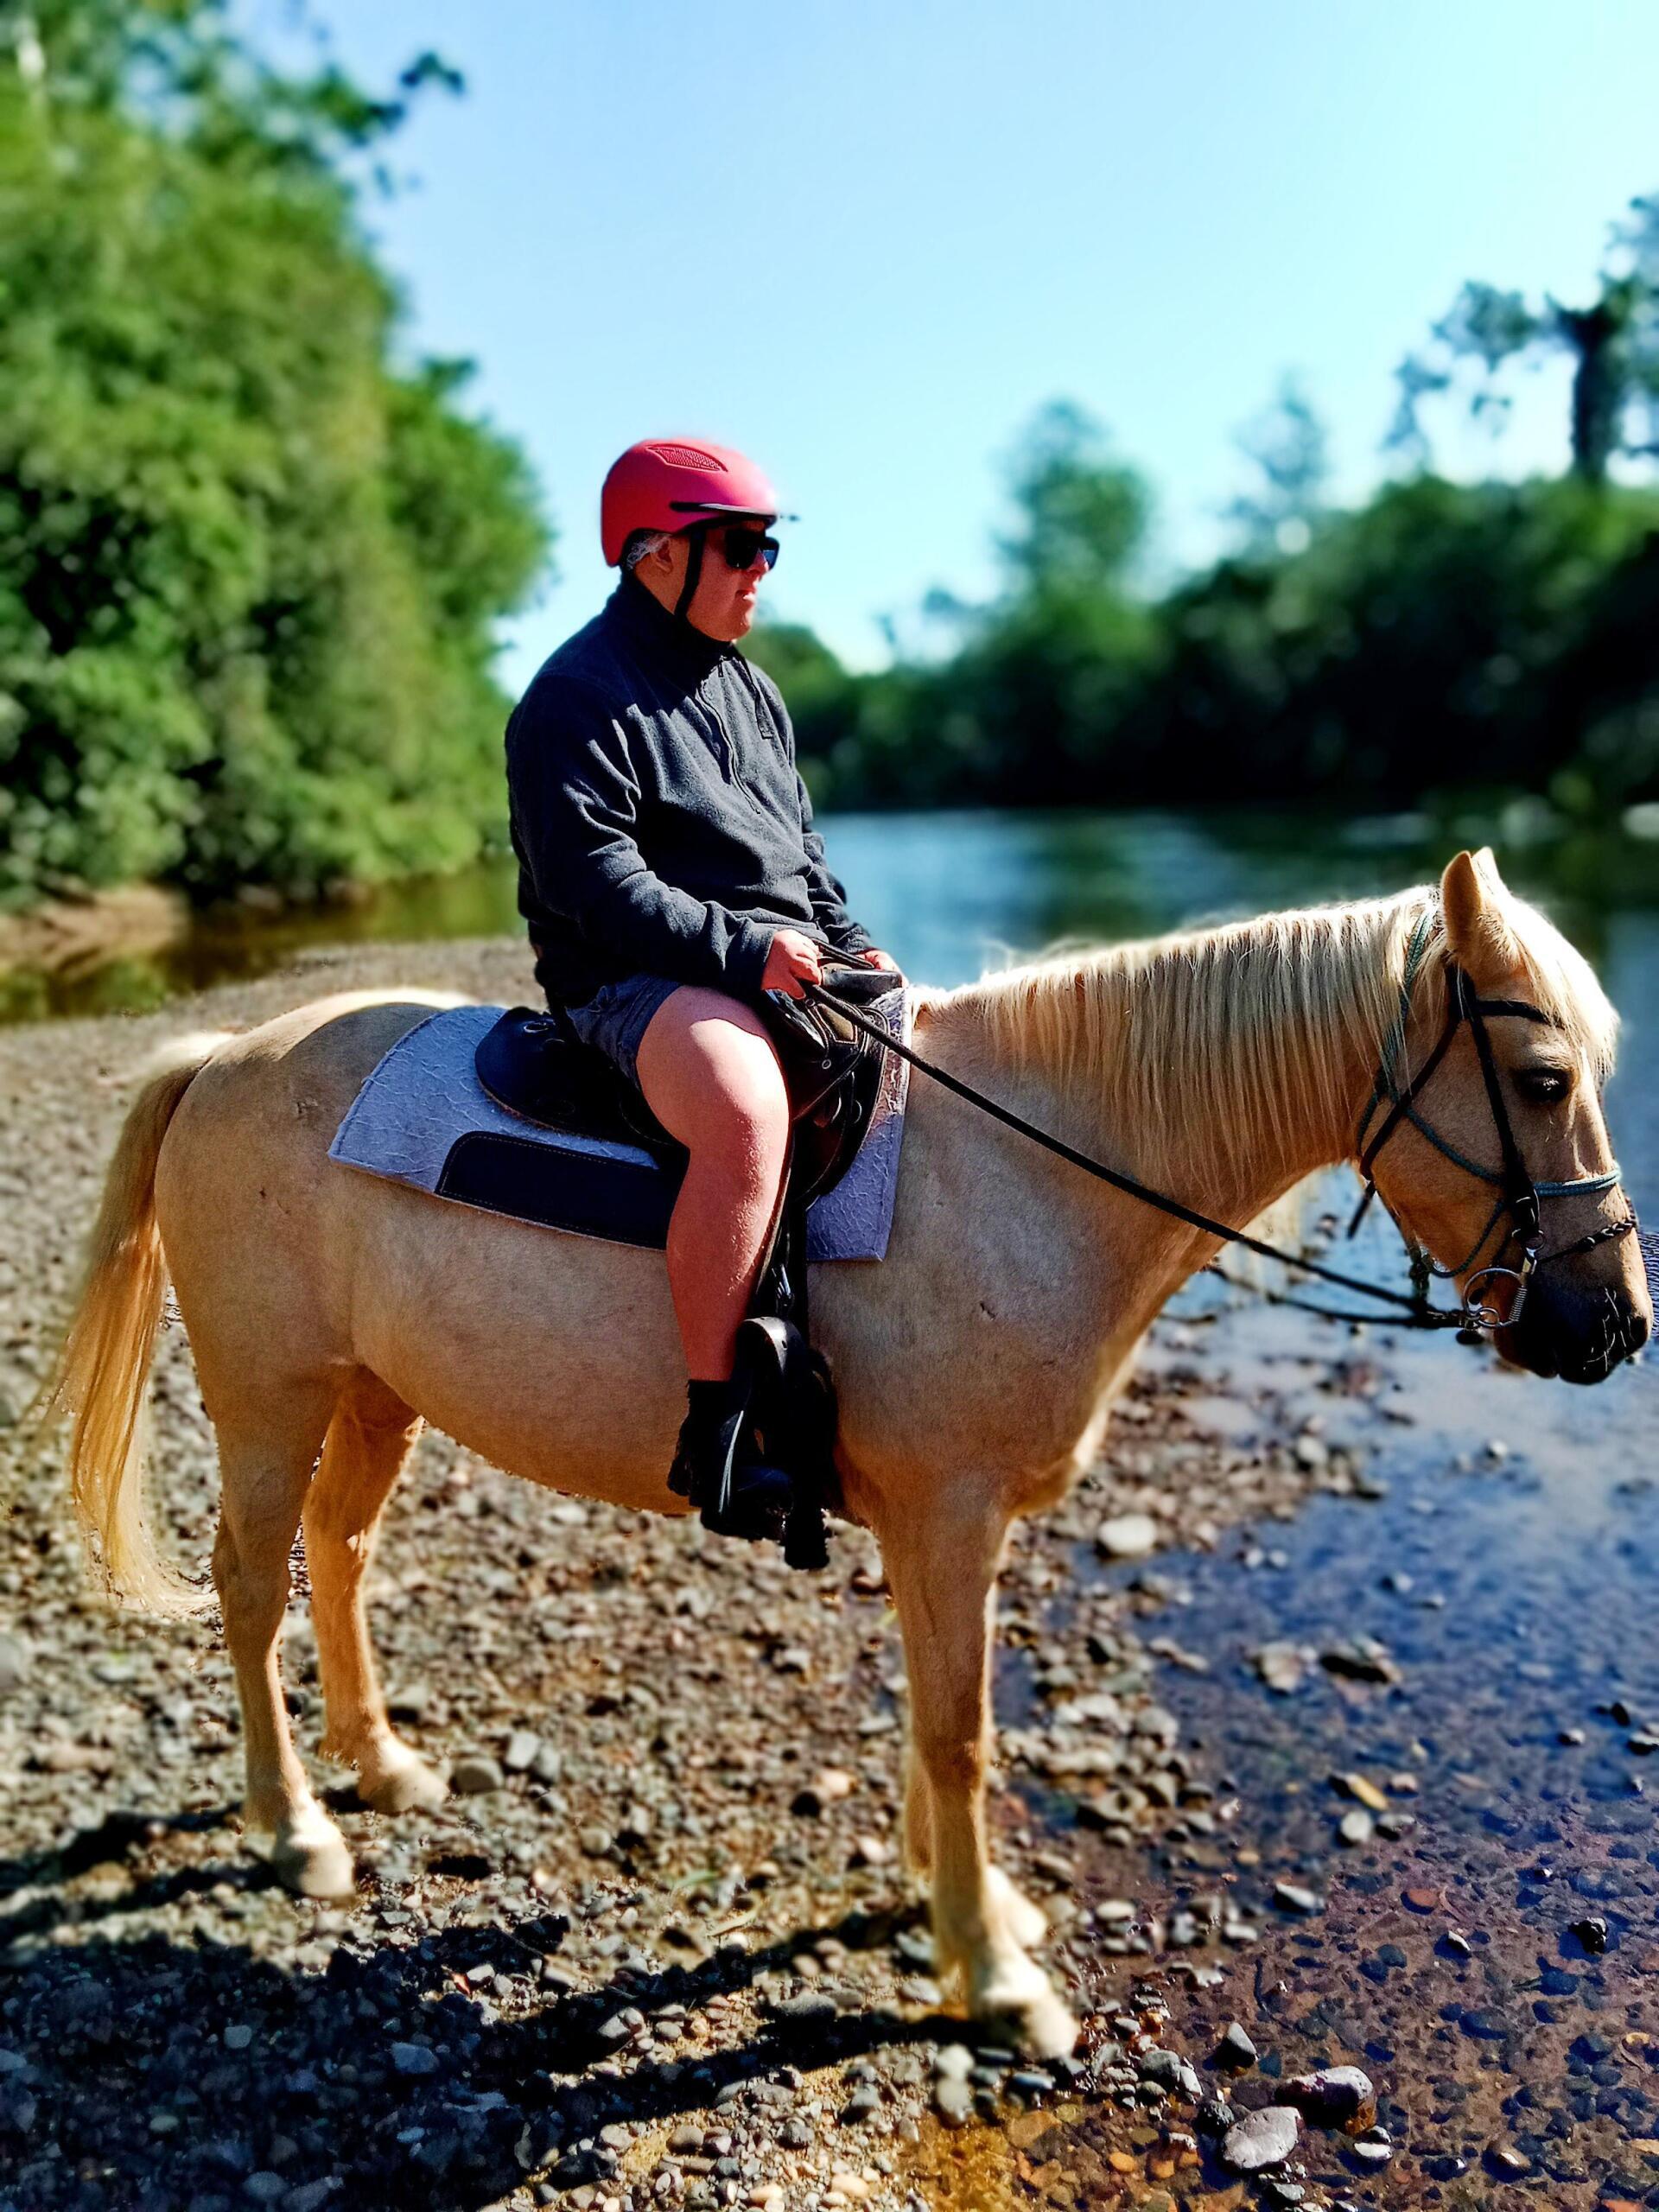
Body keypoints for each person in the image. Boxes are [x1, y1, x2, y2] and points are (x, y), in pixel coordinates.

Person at [504, 438, 897, 1536]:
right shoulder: (572, 698)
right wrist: (745, 952)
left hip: (763, 958)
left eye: (769, 546)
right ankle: (720, 1429)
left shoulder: (752, 691)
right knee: (742, 1107)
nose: (760, 567)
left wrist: (854, 943)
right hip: (631, 978)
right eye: (738, 545)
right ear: (654, 555)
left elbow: (802, 860)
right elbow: (595, 885)